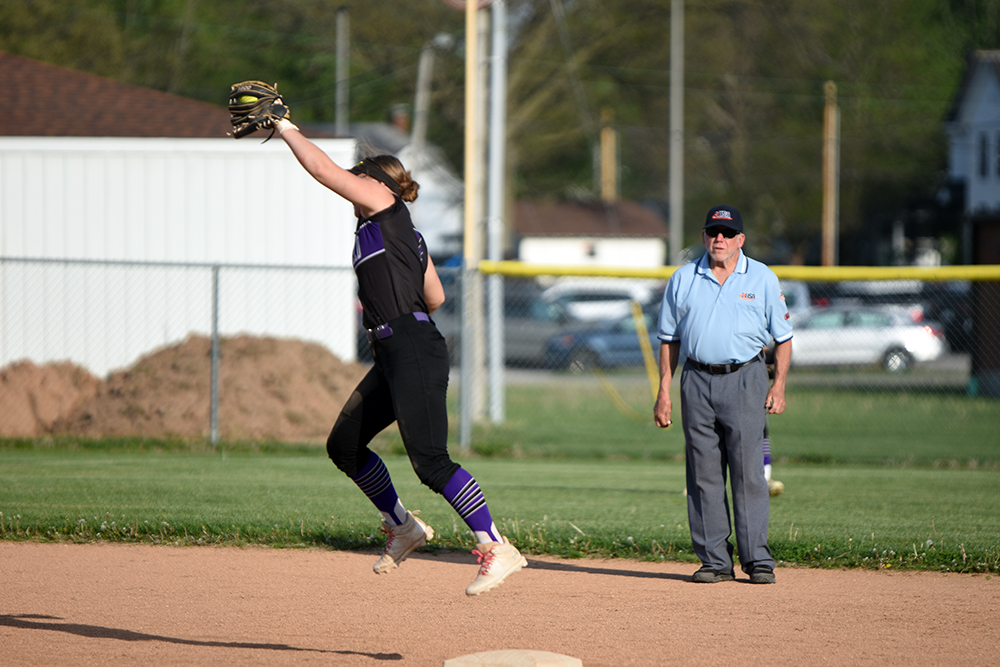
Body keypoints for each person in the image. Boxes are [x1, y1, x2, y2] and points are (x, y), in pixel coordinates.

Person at [270, 114, 526, 596]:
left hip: (411, 346)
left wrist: (286, 127)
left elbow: (325, 171)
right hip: (395, 348)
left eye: (361, 175)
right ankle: (403, 526)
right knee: (344, 446)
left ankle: (496, 546)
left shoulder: (384, 205)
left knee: (430, 462)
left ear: (377, 183)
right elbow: (436, 296)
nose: (354, 181)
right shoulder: (397, 232)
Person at [654, 205, 792, 584]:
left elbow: (783, 339)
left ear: (740, 240)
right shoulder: (683, 279)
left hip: (745, 378)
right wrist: (664, 391)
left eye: (727, 233)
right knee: (703, 474)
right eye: (713, 231)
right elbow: (669, 339)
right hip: (696, 379)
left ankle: (757, 559)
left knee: (748, 472)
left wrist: (778, 385)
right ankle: (714, 560)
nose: (720, 239)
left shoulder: (762, 278)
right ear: (703, 237)